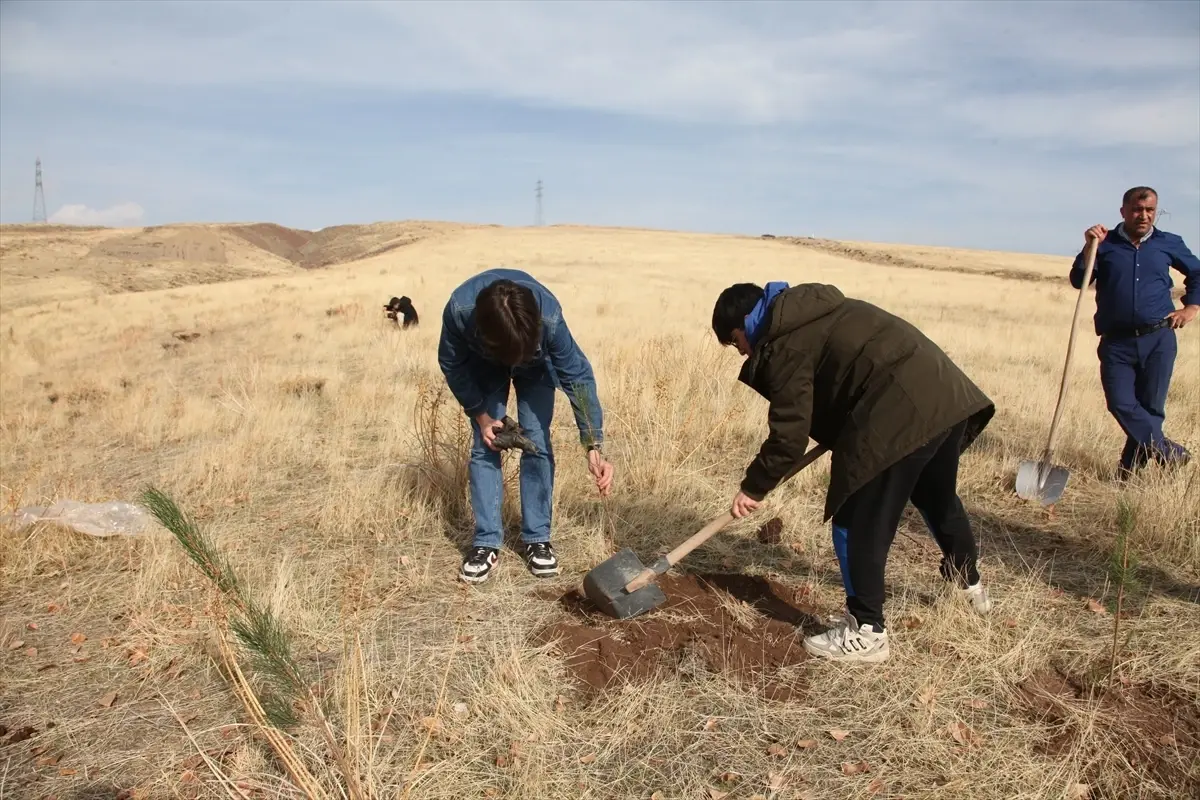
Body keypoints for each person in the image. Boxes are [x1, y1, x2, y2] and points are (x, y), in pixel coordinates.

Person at [711, 281, 996, 663]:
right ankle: (970, 588)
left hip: (899, 411)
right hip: (945, 395)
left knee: (854, 518)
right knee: (936, 496)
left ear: (746, 322)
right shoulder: (811, 311)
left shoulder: (784, 344)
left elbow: (789, 437)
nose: (742, 352)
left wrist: (753, 487)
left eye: (735, 341)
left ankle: (867, 632)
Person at [438, 268, 614, 584]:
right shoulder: (460, 311)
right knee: (486, 443)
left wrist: (592, 445)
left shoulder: (549, 318)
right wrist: (481, 415)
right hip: (485, 363)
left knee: (537, 440)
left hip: (537, 367)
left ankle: (537, 538)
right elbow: (451, 363)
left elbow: (577, 377)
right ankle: (486, 542)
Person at [1071, 186, 1199, 479]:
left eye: (1149, 210)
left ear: (1155, 211)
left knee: (1151, 409)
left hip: (1159, 338)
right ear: (1123, 211)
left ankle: (1127, 474)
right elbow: (1079, 280)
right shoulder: (1104, 243)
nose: (1143, 216)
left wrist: (1191, 307)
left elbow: (1197, 272)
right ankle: (1171, 453)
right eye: (1137, 210)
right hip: (1116, 343)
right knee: (1120, 403)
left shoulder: (1169, 242)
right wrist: (1089, 247)